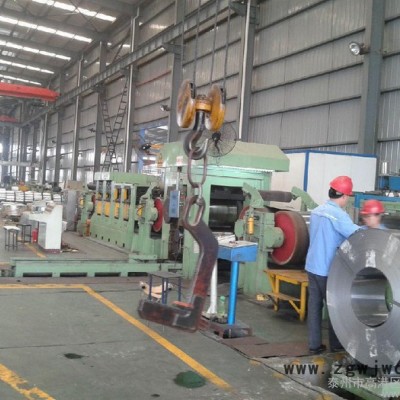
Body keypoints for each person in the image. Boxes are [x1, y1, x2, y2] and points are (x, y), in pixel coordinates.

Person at [305, 176, 359, 354]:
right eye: (348, 196)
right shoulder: (338, 215)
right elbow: (356, 233)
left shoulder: (316, 211)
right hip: (327, 269)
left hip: (312, 265)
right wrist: (375, 229)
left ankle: (314, 345)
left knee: (314, 307)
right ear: (343, 196)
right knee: (335, 308)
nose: (347, 200)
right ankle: (336, 346)